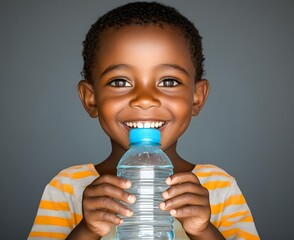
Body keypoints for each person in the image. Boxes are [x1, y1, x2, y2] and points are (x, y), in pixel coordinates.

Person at [29, 2, 259, 239]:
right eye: (120, 82)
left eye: (169, 82)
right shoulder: (68, 188)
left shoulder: (219, 188)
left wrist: (203, 231)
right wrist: (87, 230)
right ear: (91, 99)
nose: (145, 99)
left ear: (196, 98)